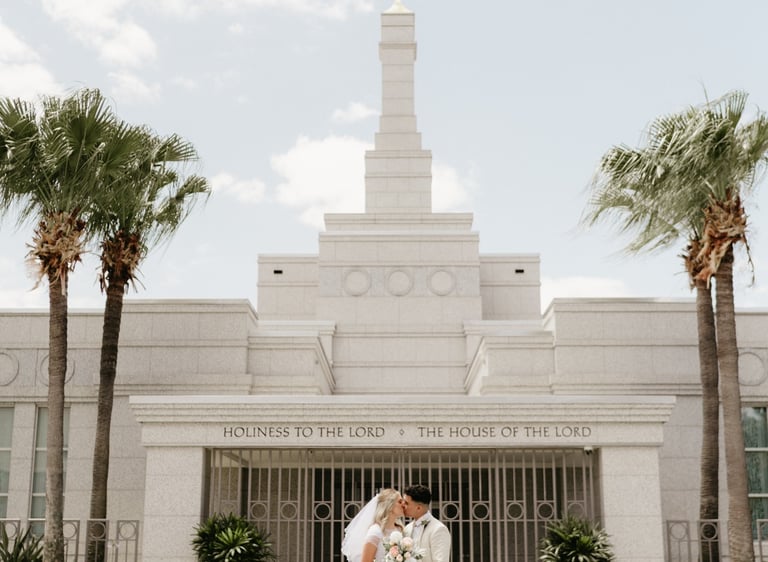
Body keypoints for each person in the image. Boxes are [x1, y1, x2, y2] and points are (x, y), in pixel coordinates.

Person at [341, 488, 405, 562]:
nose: (403, 504)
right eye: (400, 502)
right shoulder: (376, 531)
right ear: (389, 505)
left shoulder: (400, 529)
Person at [403, 485, 451, 562]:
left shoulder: (438, 529)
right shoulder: (407, 528)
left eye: (406, 503)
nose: (403, 506)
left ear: (418, 508)